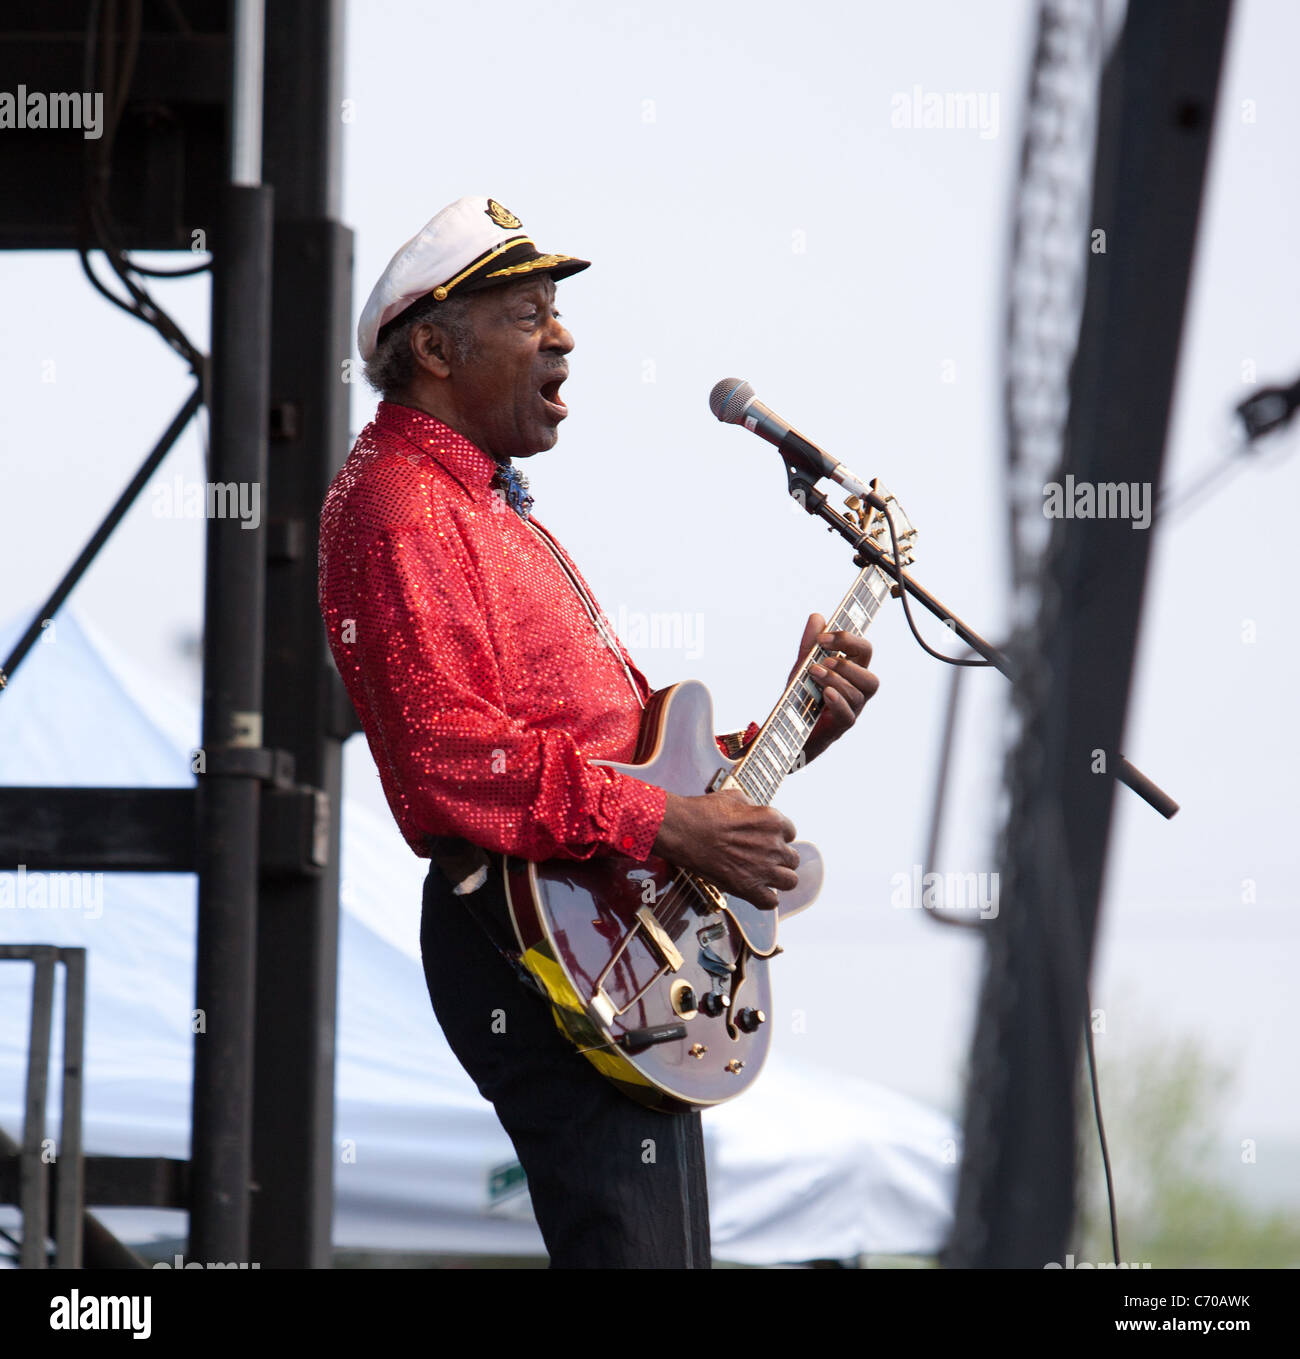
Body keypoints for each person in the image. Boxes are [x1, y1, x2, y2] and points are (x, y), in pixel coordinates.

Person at [318, 196, 880, 1268]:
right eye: (529, 315)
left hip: (608, 928)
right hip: (540, 935)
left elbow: (636, 767)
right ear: (434, 347)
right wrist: (670, 825)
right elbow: (448, 761)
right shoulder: (396, 500)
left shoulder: (490, 509)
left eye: (557, 314)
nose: (564, 336)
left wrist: (792, 729)